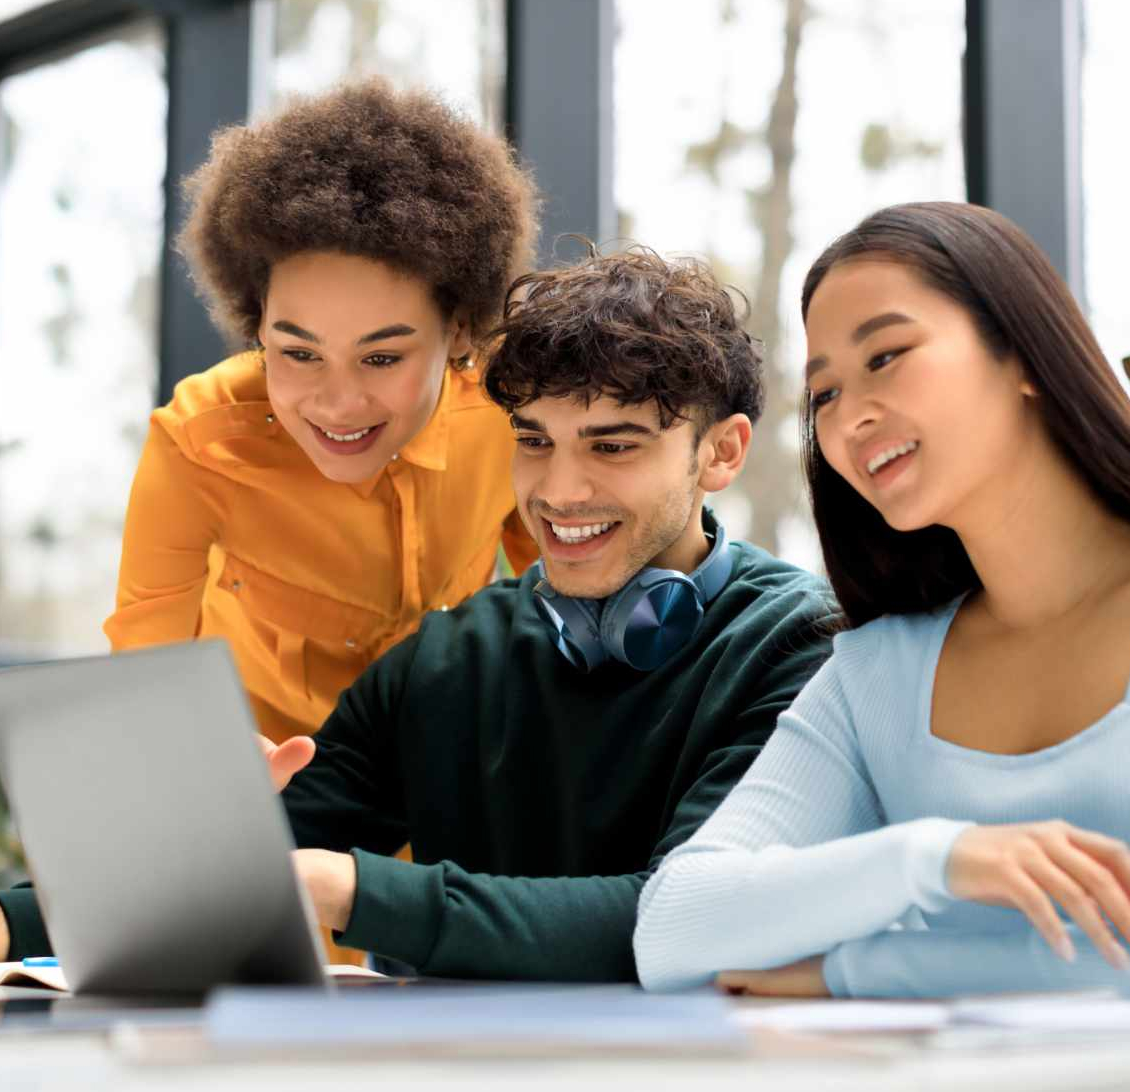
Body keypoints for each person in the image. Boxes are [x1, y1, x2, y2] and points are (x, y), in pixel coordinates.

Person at [0, 247, 833, 979]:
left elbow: (681, 915)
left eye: (613, 445)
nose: (559, 490)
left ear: (721, 452)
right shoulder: (449, 659)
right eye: (534, 441)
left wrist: (348, 889)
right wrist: (14, 922)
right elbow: (243, 856)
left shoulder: (799, 647)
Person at [634, 201, 1130, 999]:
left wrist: (850, 969)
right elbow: (674, 928)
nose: (850, 416)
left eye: (887, 355)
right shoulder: (880, 675)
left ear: (1024, 355)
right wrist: (932, 859)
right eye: (823, 394)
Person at [105, 77, 540, 745]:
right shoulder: (198, 443)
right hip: (264, 805)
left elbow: (570, 606)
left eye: (382, 358)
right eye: (299, 354)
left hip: (445, 797)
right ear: (257, 325)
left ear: (457, 331)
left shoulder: (512, 415)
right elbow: (140, 685)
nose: (338, 404)